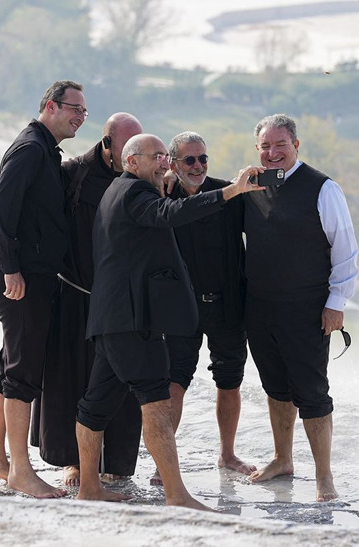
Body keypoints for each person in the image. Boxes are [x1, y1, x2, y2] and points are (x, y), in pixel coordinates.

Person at [75, 133, 265, 508]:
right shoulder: (136, 193)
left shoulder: (119, 190)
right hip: (132, 321)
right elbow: (170, 215)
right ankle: (176, 495)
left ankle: (89, 488)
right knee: (157, 403)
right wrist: (230, 191)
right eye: (156, 157)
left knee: (94, 406)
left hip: (112, 319)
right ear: (132, 162)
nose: (164, 162)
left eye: (165, 156)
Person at [242, 113, 359, 501]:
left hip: (307, 308)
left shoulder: (323, 188)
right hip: (260, 307)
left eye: (280, 145)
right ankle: (282, 459)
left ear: (296, 145)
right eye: (265, 146)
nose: (272, 152)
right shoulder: (252, 185)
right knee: (275, 387)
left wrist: (336, 303)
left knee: (312, 392)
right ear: (257, 149)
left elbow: (345, 250)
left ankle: (324, 477)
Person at [0, 80, 86, 499]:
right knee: (23, 374)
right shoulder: (30, 148)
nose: (80, 117)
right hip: (20, 277)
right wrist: (12, 270)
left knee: (10, 364)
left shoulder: (45, 150)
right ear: (50, 106)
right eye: (74, 108)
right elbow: (0, 209)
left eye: (84, 111)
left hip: (30, 274)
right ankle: (21, 471)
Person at [30, 112, 144, 487]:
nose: (132, 155)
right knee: (72, 382)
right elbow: (32, 200)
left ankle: (119, 463)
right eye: (126, 147)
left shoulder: (145, 178)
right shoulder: (74, 172)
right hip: (76, 296)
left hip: (123, 303)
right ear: (107, 143)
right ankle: (74, 462)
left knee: (123, 384)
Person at [161, 131, 254, 479]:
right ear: (173, 164)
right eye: (189, 160)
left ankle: (227, 455)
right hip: (180, 309)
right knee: (174, 383)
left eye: (203, 158)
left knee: (229, 381)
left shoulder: (229, 193)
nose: (198, 165)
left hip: (228, 306)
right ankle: (164, 462)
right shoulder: (163, 196)